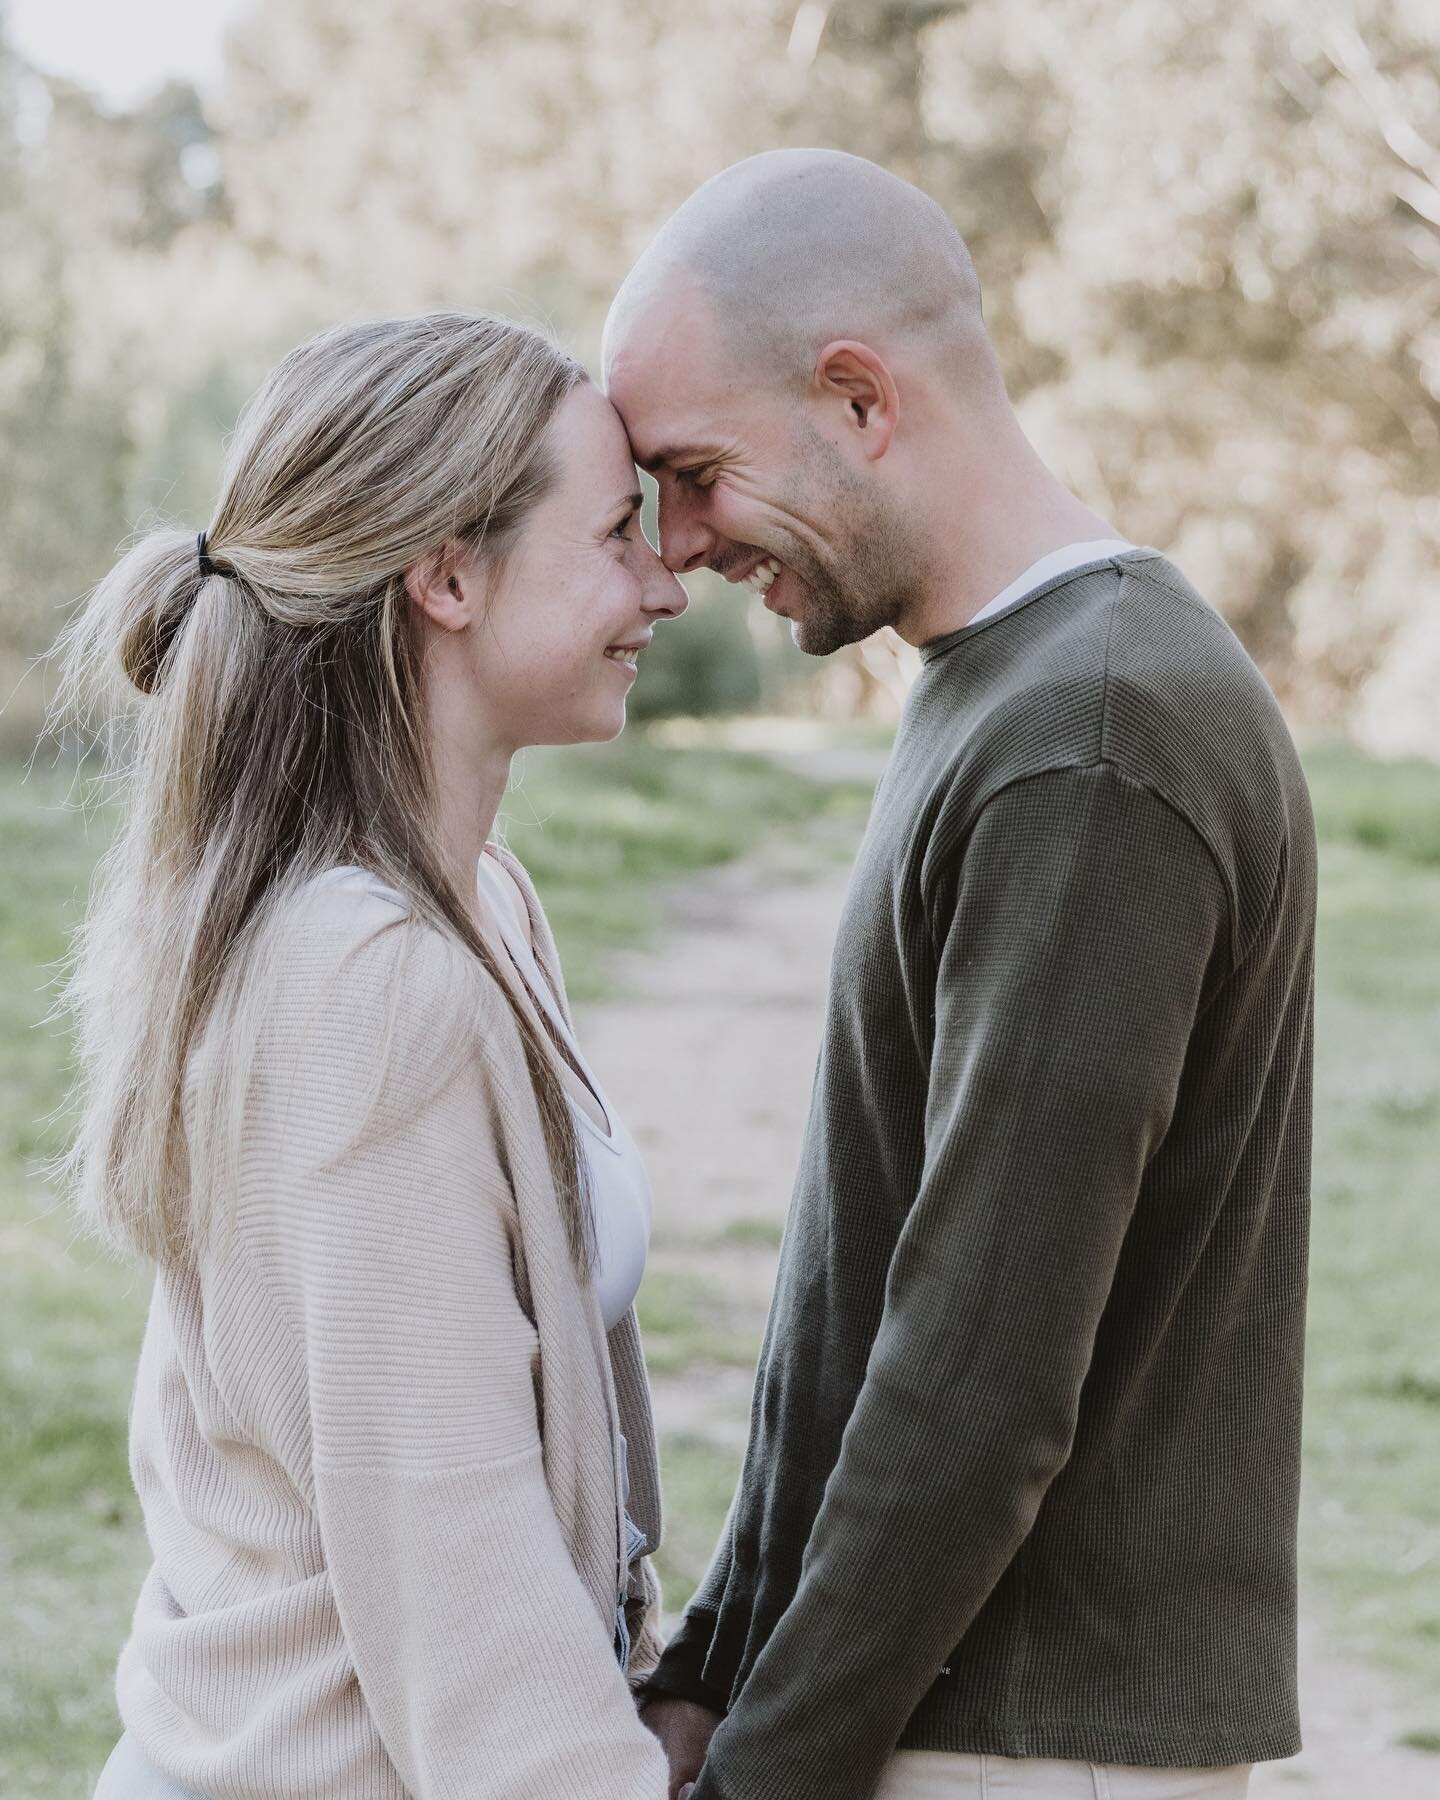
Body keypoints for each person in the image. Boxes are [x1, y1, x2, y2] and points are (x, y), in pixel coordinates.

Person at [603, 150, 1316, 1800]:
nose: (681, 544)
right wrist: (716, 1660)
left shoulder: (1095, 735)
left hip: (1020, 1741)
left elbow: (979, 1381)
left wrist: (763, 1777)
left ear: (859, 399)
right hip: (953, 1720)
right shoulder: (1009, 687)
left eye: (697, 474)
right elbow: (865, 1283)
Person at [60, 312, 687, 1799]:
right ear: (448, 575)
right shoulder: (361, 984)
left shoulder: (478, 908)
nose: (663, 584)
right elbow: (449, 1556)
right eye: (614, 535)